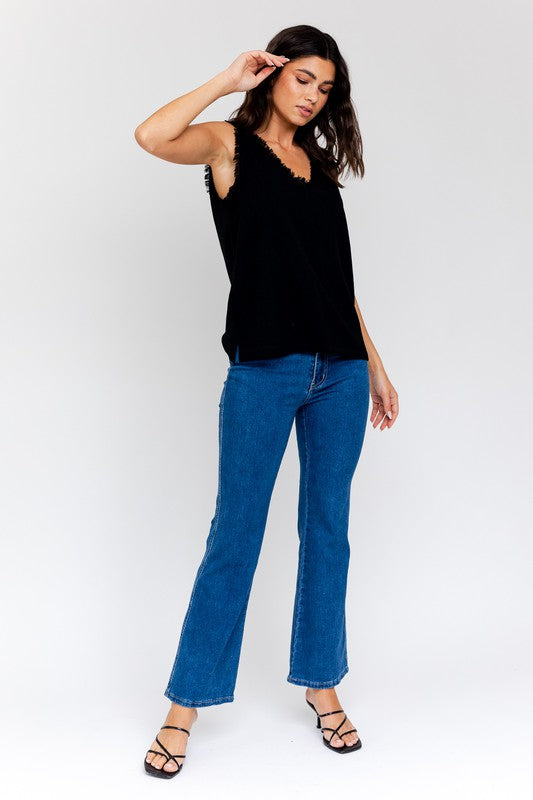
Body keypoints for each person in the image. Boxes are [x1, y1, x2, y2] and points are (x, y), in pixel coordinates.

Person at [134, 24, 399, 778]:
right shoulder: (227, 147)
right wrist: (227, 78)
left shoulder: (319, 172)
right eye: (303, 79)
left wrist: (375, 365)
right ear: (274, 73)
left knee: (327, 531)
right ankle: (184, 707)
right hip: (264, 369)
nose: (314, 96)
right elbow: (151, 135)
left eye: (325, 87)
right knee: (235, 536)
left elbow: (335, 284)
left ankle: (321, 686)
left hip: (339, 373)